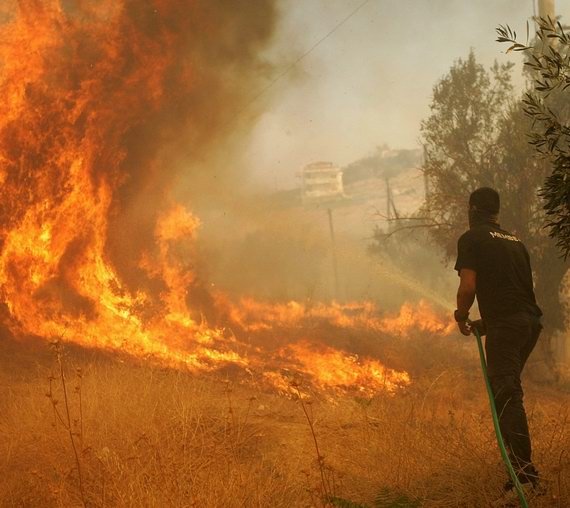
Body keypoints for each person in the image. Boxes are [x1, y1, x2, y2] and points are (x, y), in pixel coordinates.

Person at [453, 187, 543, 495]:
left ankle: (523, 480)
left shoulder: (472, 238)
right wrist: (487, 323)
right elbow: (515, 295)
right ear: (496, 213)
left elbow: (468, 287)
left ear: (473, 210)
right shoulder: (515, 242)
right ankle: (523, 475)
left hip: (508, 326)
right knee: (508, 391)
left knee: (506, 396)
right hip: (529, 324)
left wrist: (461, 315)